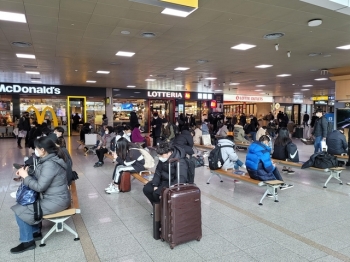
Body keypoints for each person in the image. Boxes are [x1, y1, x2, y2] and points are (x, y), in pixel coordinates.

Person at [10, 136, 71, 253]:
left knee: (20, 210)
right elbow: (43, 175)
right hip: (56, 197)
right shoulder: (50, 159)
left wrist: (26, 176)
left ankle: (28, 241)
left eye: (36, 148)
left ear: (43, 150)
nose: (35, 151)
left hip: (57, 201)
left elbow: (39, 187)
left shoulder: (50, 164)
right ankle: (35, 232)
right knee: (27, 205)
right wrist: (28, 171)